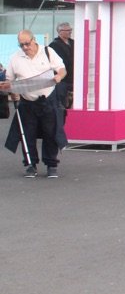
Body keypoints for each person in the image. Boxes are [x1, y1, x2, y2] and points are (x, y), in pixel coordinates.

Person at [2, 29, 67, 178]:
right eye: (21, 45)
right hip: (27, 101)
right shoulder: (15, 58)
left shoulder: (47, 51)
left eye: (27, 44)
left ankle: (51, 164)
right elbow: (9, 80)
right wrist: (11, 89)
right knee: (27, 134)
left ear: (34, 40)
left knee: (50, 133)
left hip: (48, 98)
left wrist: (58, 76)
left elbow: (62, 69)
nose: (25, 47)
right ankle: (31, 164)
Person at [48, 22, 74, 113]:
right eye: (67, 30)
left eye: (70, 30)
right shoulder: (53, 45)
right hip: (62, 80)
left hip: (73, 78)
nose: (70, 32)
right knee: (61, 101)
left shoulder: (73, 43)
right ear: (60, 32)